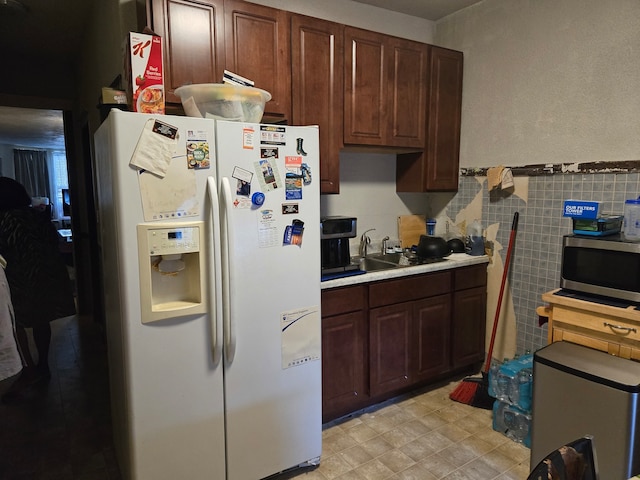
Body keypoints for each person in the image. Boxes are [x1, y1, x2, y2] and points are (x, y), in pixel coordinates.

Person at [0, 177, 76, 401]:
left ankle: (28, 370)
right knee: (41, 320)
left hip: (17, 277)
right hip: (44, 274)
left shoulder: (4, 220)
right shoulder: (37, 216)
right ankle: (42, 363)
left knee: (19, 324)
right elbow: (55, 243)